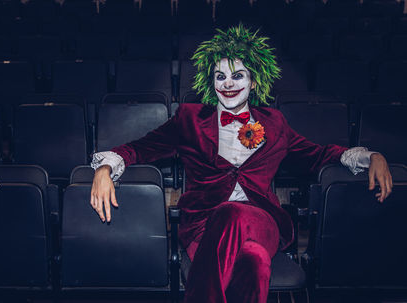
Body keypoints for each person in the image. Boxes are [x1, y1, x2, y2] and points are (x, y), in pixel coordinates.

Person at [89, 24, 393, 303]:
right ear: (211, 82)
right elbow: (141, 148)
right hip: (203, 228)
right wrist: (105, 168)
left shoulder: (275, 123)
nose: (228, 84)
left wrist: (372, 157)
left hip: (262, 221)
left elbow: (319, 154)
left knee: (234, 212)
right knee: (255, 262)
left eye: (238, 75)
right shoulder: (189, 119)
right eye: (220, 76)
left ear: (253, 80)